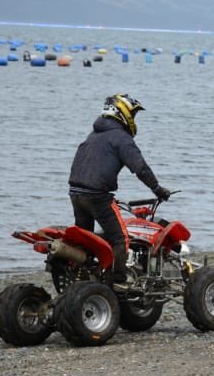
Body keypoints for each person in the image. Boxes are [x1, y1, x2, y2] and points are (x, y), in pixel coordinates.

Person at [68, 93, 171, 286]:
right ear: (122, 113)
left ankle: (83, 278)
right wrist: (157, 188)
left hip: (75, 193)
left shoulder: (94, 135)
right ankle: (118, 282)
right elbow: (140, 167)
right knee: (120, 238)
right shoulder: (120, 138)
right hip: (97, 196)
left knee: (86, 239)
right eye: (133, 114)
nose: (133, 119)